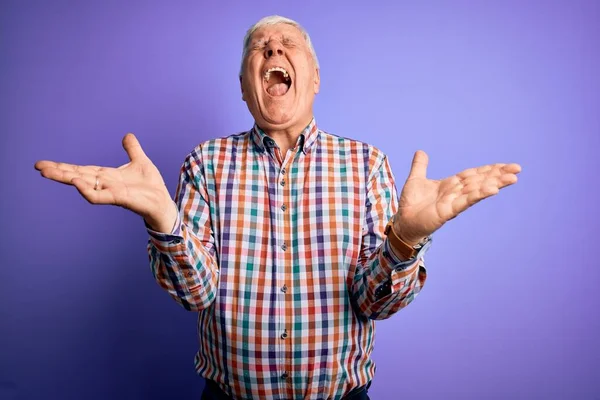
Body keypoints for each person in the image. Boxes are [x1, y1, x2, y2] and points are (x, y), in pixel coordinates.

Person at [34, 15, 521, 400]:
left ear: (314, 79)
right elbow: (196, 294)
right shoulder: (205, 162)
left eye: (289, 43)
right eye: (258, 47)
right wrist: (165, 221)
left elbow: (375, 304)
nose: (273, 49)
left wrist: (405, 239)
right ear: (245, 87)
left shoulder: (366, 164)